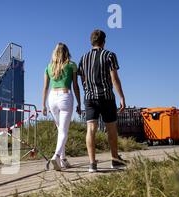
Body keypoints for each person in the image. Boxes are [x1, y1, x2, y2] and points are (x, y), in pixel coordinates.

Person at [78, 30, 127, 173]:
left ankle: (92, 164)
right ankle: (115, 160)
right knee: (111, 128)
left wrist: (87, 90)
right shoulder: (109, 55)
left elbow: (82, 79)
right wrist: (122, 97)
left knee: (90, 130)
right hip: (106, 97)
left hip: (90, 98)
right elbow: (114, 78)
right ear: (104, 41)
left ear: (91, 41)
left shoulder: (84, 58)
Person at [42, 43, 81, 171]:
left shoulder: (49, 67)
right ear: (66, 52)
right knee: (64, 131)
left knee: (60, 130)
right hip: (65, 96)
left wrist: (43, 105)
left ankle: (63, 160)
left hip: (51, 98)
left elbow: (45, 87)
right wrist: (79, 103)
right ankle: (56, 156)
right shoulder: (71, 65)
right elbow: (75, 86)